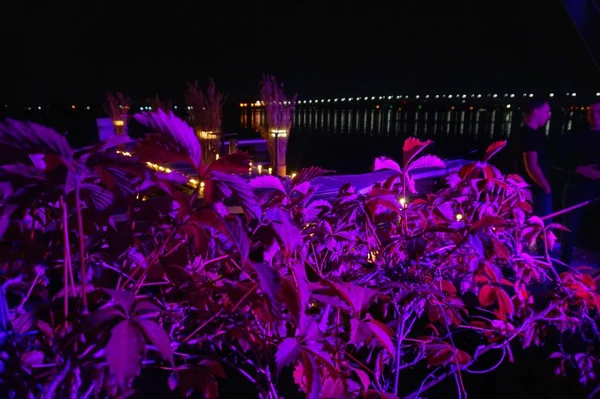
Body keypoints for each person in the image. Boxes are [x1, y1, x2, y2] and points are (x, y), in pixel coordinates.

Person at [559, 100, 600, 265]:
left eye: (598, 112)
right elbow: (558, 159)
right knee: (569, 228)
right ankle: (563, 267)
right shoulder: (573, 135)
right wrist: (578, 168)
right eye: (591, 112)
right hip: (577, 185)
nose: (595, 116)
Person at [513, 98, 553, 218]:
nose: (548, 116)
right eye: (547, 112)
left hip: (524, 188)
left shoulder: (521, 133)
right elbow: (531, 165)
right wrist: (546, 187)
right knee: (542, 226)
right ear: (536, 111)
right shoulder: (530, 135)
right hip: (534, 190)